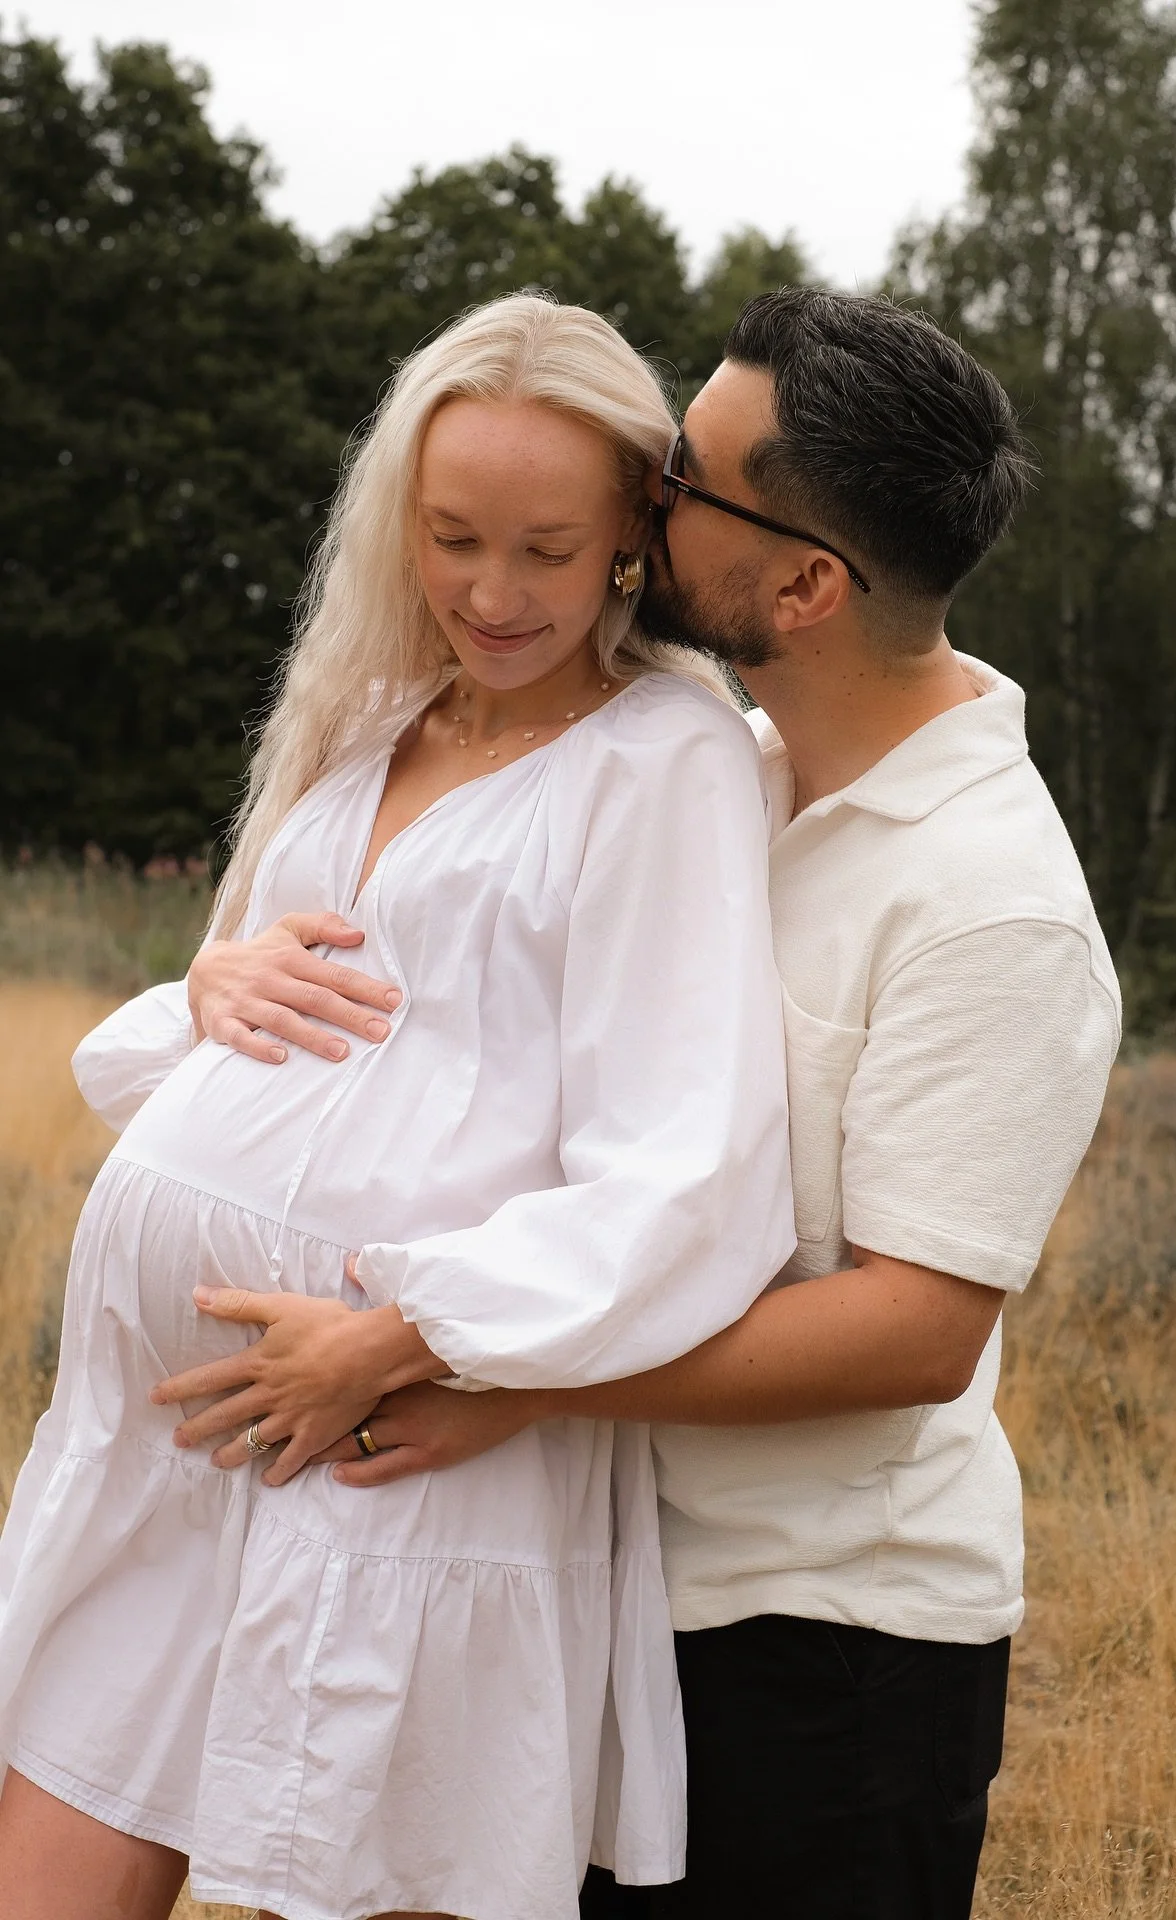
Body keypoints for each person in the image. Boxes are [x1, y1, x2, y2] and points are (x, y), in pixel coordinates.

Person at [128, 292, 1122, 1918]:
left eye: (684, 479)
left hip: (829, 1652)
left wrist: (479, 1359)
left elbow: (914, 1330)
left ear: (804, 583)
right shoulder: (713, 768)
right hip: (610, 1593)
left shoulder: (990, 902)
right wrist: (215, 984)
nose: (640, 495)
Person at [0, 294, 795, 1920]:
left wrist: (405, 1333)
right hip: (159, 1453)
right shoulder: (361, 718)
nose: (492, 596)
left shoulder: (665, 760)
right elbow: (240, 1030)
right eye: (452, 540)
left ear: (632, 543)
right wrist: (199, 996)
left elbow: (683, 1166)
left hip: (398, 1450)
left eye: (546, 551)